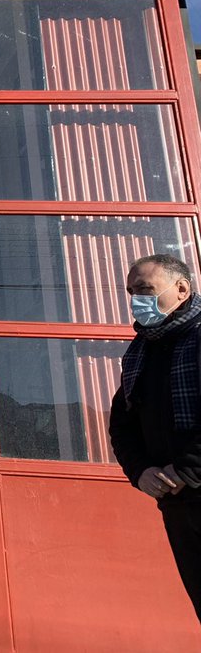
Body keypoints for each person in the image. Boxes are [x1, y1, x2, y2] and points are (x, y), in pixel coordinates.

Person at [109, 252, 201, 623]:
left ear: (181, 289)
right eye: (131, 291)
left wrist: (187, 470)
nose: (136, 300)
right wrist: (141, 471)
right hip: (176, 505)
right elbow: (122, 425)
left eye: (145, 289)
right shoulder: (140, 352)